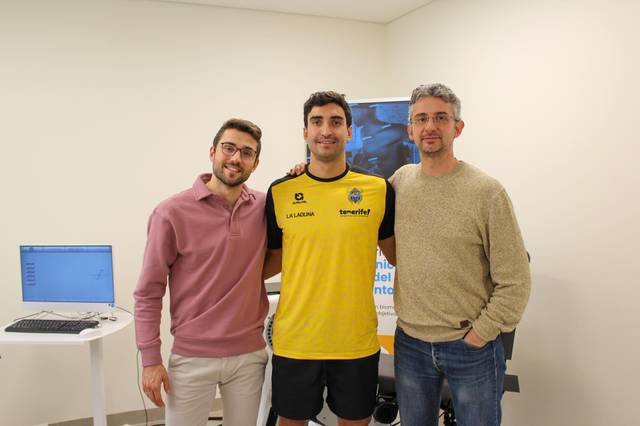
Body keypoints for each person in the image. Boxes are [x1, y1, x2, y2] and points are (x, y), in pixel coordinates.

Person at [389, 83, 531, 426]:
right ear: (410, 130)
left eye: (441, 117)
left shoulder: (487, 192)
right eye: (421, 119)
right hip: (410, 344)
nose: (430, 126)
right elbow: (351, 202)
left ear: (458, 127)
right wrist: (303, 175)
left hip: (470, 347)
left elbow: (515, 281)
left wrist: (480, 334)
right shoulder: (398, 183)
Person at [264, 91, 396, 426]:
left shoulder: (379, 189)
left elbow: (398, 256)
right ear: (305, 131)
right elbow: (272, 261)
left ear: (349, 131)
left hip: (355, 342)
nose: (326, 129)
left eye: (336, 121)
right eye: (317, 121)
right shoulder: (280, 192)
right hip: (296, 341)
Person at [134, 118, 269, 426]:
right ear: (212, 151)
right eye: (229, 148)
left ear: (255, 163)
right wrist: (150, 360)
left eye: (246, 153)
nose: (236, 158)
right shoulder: (171, 213)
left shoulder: (264, 206)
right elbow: (148, 292)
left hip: (249, 356)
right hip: (192, 357)